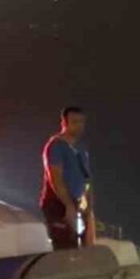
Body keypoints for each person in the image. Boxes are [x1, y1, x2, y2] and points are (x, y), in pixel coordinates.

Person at [40, 106, 95, 249]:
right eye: (74, 122)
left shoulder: (81, 148)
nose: (79, 126)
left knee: (83, 246)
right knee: (65, 247)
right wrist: (68, 205)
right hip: (58, 204)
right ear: (64, 123)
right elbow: (55, 178)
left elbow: (86, 178)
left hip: (78, 204)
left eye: (81, 122)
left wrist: (88, 206)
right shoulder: (56, 146)